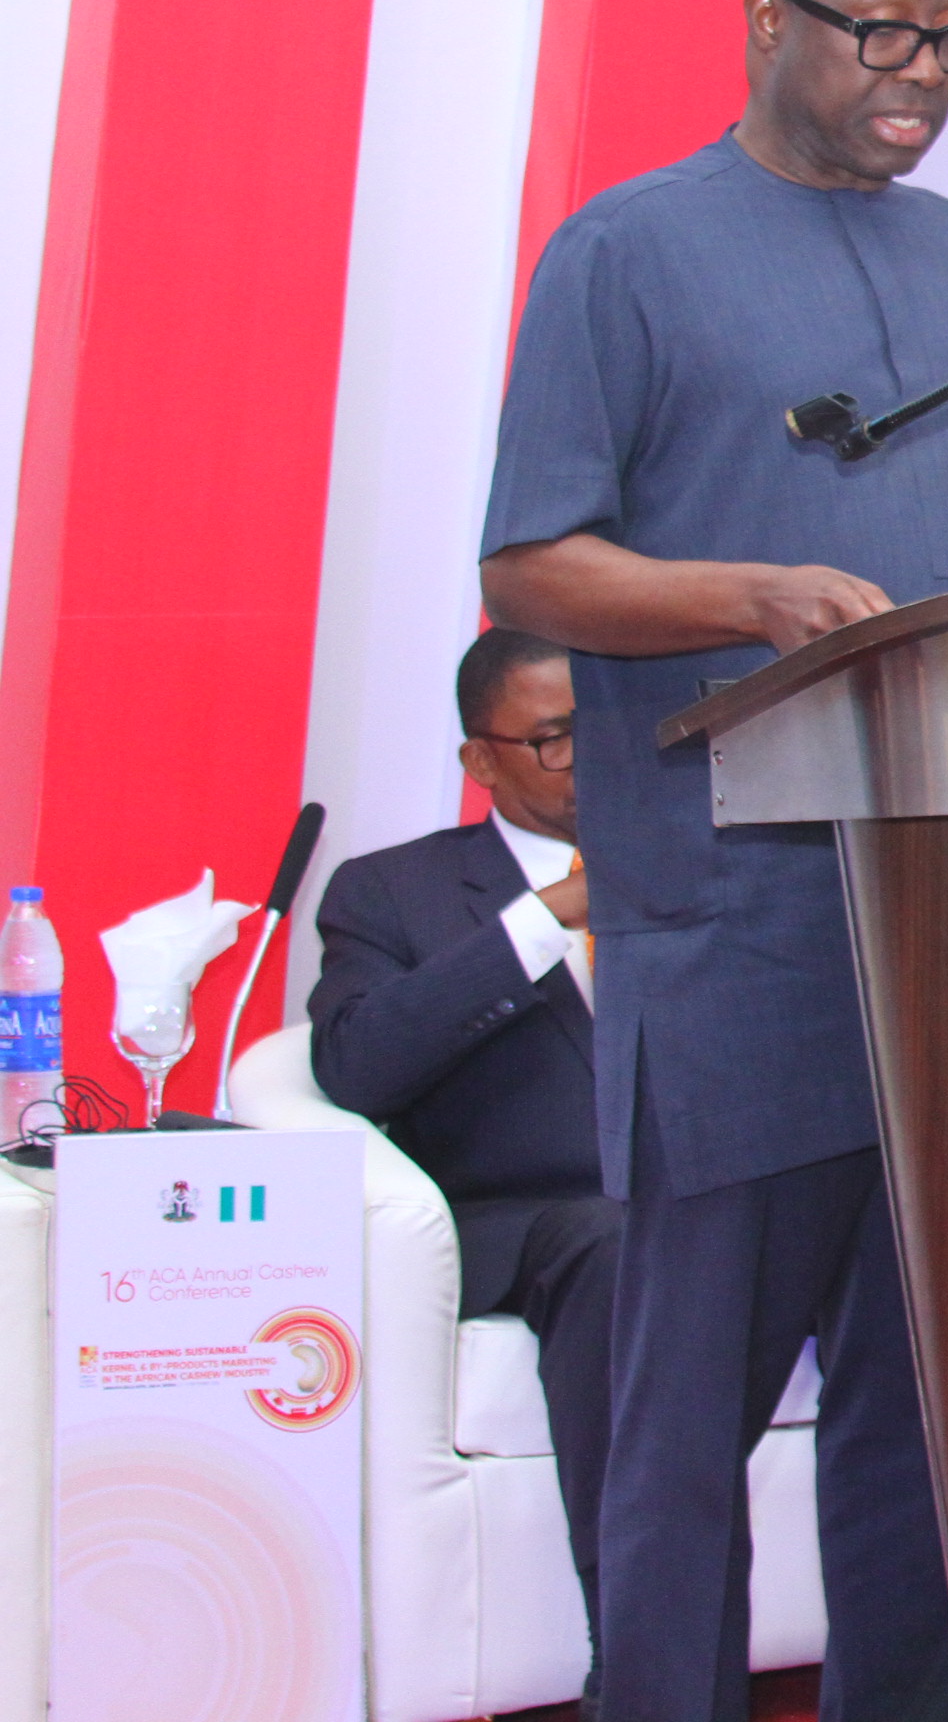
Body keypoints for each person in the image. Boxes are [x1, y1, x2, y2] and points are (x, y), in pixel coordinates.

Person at [477, 0, 948, 1722]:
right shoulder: (628, 252)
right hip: (739, 930)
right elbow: (529, 568)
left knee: (928, 1417)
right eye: (879, 29)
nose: (918, 73)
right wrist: (750, 595)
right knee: (685, 1426)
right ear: (763, 16)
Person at [309, 628, 610, 1676]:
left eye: (608, 726)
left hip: (715, 1197)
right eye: (557, 738)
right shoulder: (393, 892)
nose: (593, 758)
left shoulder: (717, 866)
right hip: (525, 1222)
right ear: (480, 759)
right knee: (615, 1244)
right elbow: (357, 1066)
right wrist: (545, 922)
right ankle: (639, 1658)